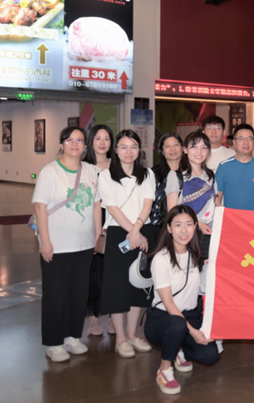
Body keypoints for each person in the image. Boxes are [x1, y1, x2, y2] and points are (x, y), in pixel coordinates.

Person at [32, 126, 101, 362]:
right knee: (55, 294)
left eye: (79, 140)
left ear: (85, 146)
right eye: (69, 140)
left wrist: (97, 233)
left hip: (84, 245)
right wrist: (45, 241)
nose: (74, 144)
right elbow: (40, 206)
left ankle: (72, 337)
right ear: (62, 144)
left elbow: (96, 204)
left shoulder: (91, 170)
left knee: (78, 293)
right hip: (57, 245)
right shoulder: (50, 171)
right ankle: (54, 343)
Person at [145, 205, 219, 395]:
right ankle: (164, 370)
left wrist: (211, 268)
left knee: (210, 355)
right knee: (178, 324)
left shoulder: (195, 256)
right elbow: (169, 303)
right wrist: (193, 332)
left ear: (195, 226)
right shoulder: (161, 258)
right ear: (169, 228)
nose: (184, 230)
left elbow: (202, 288)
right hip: (162, 319)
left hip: (189, 315)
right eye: (178, 225)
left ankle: (179, 350)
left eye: (189, 224)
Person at [99, 130, 157, 359]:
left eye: (133, 146)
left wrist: (137, 230)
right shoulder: (106, 175)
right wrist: (132, 231)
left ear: (139, 150)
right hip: (118, 233)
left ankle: (132, 334)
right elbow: (112, 208)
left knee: (139, 284)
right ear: (116, 150)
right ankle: (120, 339)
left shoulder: (148, 174)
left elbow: (148, 203)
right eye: (123, 147)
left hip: (143, 231)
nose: (128, 151)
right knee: (117, 285)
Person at [83, 124, 116, 337]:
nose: (102, 143)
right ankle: (94, 316)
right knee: (93, 270)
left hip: (115, 219)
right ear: (91, 141)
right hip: (90, 220)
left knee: (113, 269)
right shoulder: (84, 167)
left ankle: (114, 315)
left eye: (106, 138)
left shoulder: (118, 164)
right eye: (98, 138)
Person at [166, 131, 217, 265]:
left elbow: (214, 203)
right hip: (186, 235)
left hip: (208, 235)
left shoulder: (210, 175)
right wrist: (198, 224)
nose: (199, 151)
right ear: (185, 150)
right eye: (194, 146)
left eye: (204, 147)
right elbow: (173, 210)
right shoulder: (176, 175)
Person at [216, 124, 254, 211]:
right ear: (234, 142)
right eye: (241, 139)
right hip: (233, 218)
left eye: (249, 138)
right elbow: (218, 196)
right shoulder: (224, 166)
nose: (246, 142)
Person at [151, 133, 184, 235]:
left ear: (182, 148)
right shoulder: (153, 174)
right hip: (158, 228)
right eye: (167, 146)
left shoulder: (190, 172)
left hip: (185, 227)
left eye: (175, 144)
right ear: (162, 151)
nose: (172, 149)